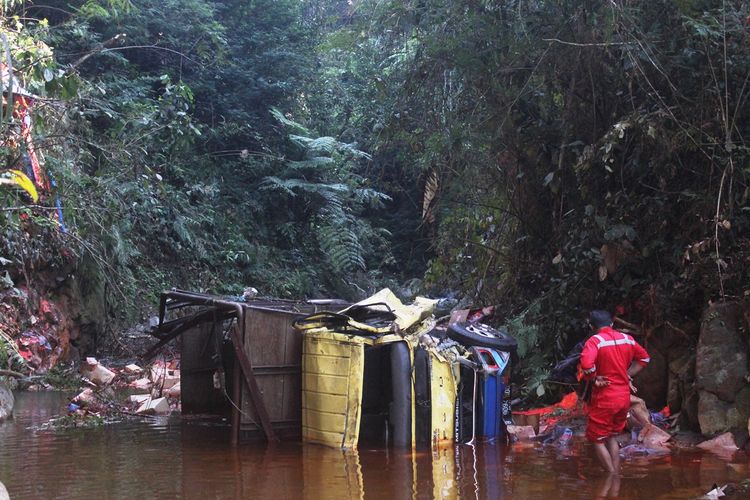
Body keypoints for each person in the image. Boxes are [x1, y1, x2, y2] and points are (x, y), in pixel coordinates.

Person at [580, 309, 650, 473]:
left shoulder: (595, 341)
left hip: (605, 398)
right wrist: (627, 373)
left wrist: (594, 378)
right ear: (612, 324)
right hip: (624, 397)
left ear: (592, 326)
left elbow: (587, 365)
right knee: (611, 435)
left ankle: (612, 477)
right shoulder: (628, 339)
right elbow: (645, 358)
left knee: (597, 439)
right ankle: (616, 476)